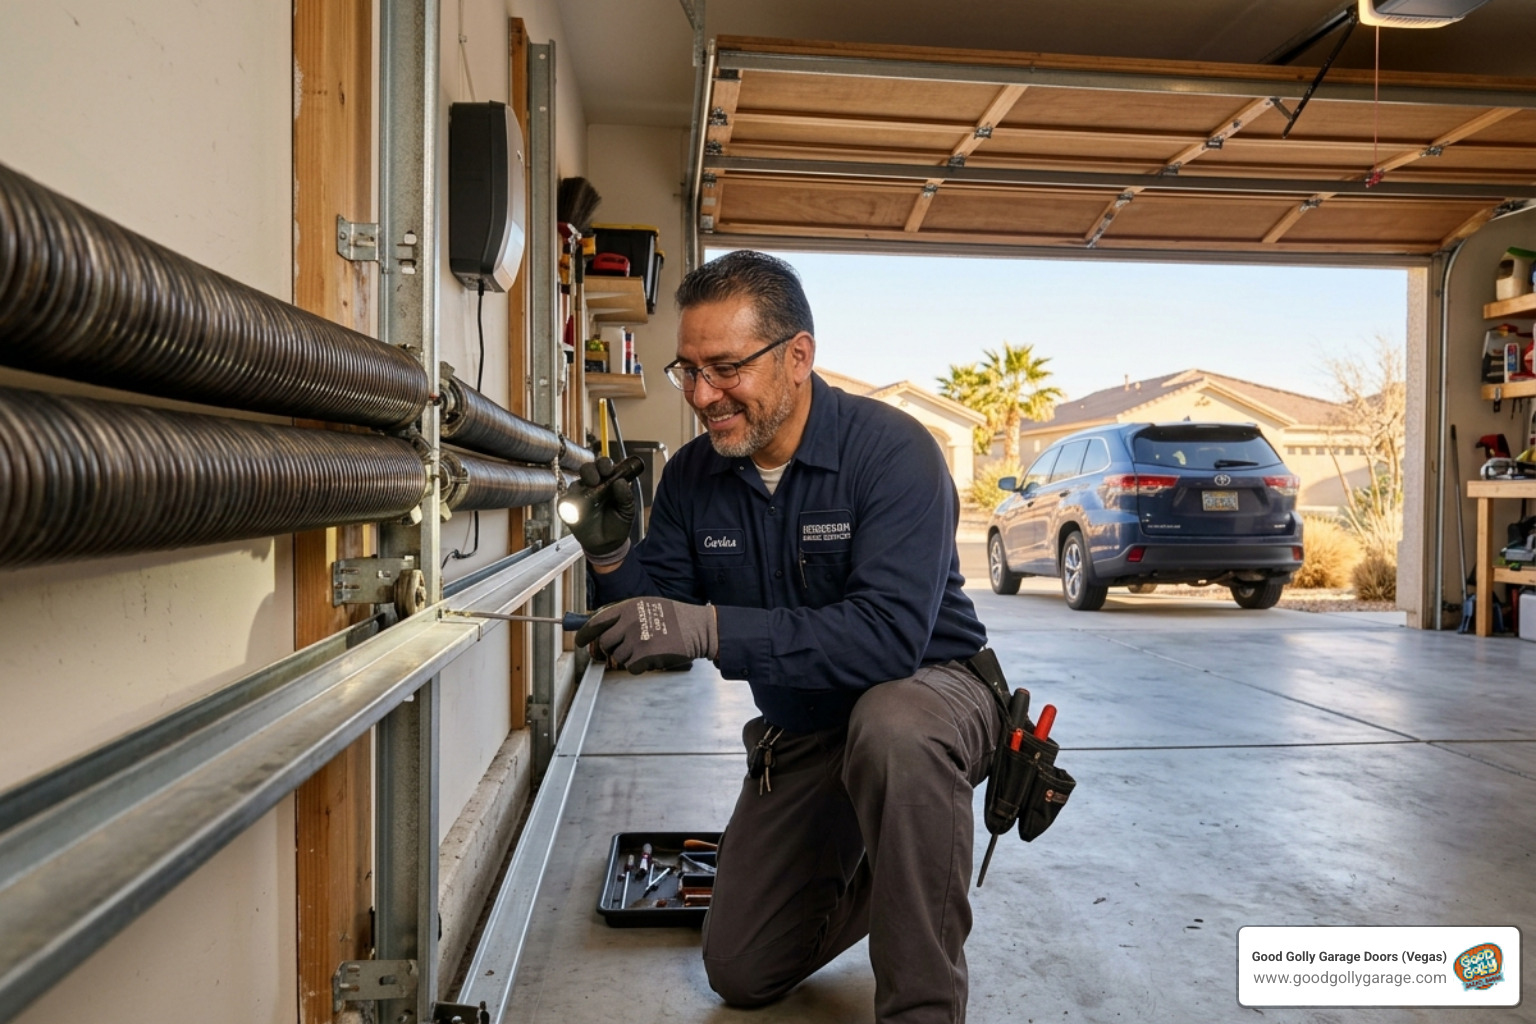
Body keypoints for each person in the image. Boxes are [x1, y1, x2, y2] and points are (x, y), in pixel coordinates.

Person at [569, 250, 1003, 1024]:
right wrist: (609, 556)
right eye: (689, 371)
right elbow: (655, 623)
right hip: (806, 726)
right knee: (741, 967)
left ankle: (923, 1006)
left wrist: (711, 627)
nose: (703, 395)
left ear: (797, 355)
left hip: (932, 694)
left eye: (726, 368)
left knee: (894, 729)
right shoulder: (695, 478)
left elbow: (886, 642)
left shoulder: (892, 454)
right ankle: (902, 863)